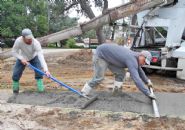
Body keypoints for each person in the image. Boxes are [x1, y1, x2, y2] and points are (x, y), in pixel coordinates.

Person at [81, 43, 156, 99]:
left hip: (110, 58)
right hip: (101, 55)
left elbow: (140, 71)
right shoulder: (132, 59)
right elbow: (136, 79)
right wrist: (148, 93)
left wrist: (147, 81)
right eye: (144, 61)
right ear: (141, 56)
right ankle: (84, 91)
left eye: (145, 63)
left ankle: (116, 92)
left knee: (121, 73)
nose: (144, 63)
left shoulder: (135, 57)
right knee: (99, 77)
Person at [12, 28, 50, 94]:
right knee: (16, 74)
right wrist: (21, 59)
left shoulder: (36, 43)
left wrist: (46, 70)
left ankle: (41, 92)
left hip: (34, 57)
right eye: (28, 39)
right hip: (22, 58)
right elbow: (14, 52)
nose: (30, 40)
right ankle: (15, 92)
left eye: (31, 38)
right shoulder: (18, 41)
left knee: (39, 73)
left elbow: (41, 56)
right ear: (23, 37)